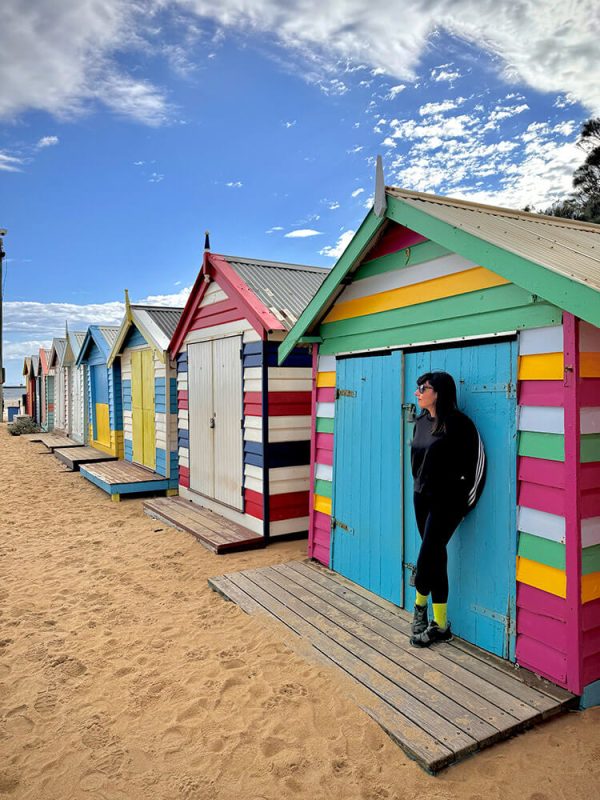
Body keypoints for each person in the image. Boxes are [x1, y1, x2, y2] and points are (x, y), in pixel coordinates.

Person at [409, 371, 486, 647]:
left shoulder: (460, 424)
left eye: (424, 388)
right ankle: (441, 625)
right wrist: (419, 486)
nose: (417, 393)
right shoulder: (420, 423)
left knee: (428, 553)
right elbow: (416, 461)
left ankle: (419, 607)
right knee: (435, 555)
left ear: (439, 393)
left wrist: (465, 503)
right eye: (418, 388)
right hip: (422, 498)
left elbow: (478, 465)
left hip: (448, 501)